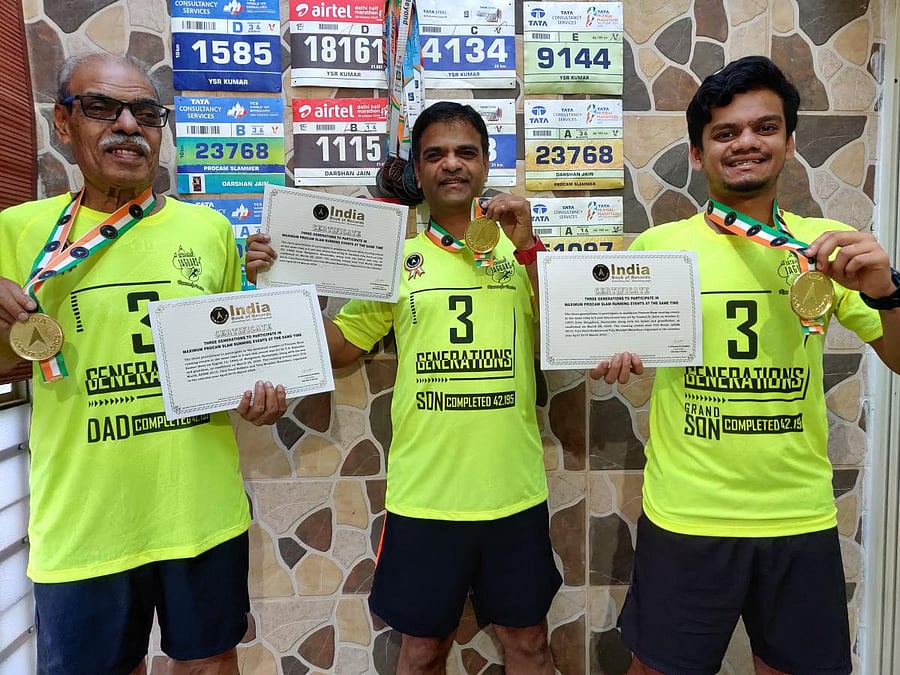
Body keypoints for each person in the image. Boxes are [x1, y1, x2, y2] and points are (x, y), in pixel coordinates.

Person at [591, 55, 900, 675]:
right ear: (699, 154)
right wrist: (611, 352)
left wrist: (887, 292)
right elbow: (612, 343)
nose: (746, 143)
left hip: (798, 514)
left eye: (764, 128)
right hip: (687, 514)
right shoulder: (658, 248)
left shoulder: (829, 247)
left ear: (790, 142)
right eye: (725, 133)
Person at [247, 102, 562, 674]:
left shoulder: (521, 251)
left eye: (466, 152)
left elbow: (566, 331)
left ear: (487, 164)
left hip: (513, 492)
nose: (452, 165)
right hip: (425, 497)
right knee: (420, 652)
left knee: (529, 644)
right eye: (435, 154)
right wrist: (274, 290)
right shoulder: (396, 261)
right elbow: (342, 346)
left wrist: (528, 247)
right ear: (418, 172)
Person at [0, 53, 288, 675]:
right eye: (102, 108)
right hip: (85, 523)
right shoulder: (16, 231)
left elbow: (240, 361)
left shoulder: (210, 230)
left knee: (211, 665)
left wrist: (263, 397)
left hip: (199, 515)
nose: (128, 125)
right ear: (62, 125)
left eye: (146, 113)